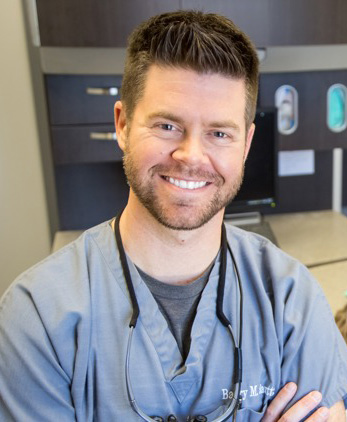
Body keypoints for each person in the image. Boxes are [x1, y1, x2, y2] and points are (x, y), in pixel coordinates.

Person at [1, 10, 347, 422]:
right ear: (123, 124)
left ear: (246, 143)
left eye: (219, 133)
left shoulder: (292, 301)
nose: (191, 156)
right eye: (167, 125)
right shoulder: (38, 316)